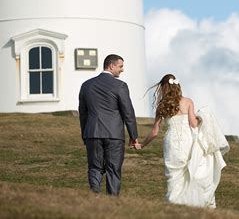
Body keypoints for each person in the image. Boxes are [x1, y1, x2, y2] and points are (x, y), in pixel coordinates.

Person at [139, 74, 229, 208]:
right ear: (177, 86)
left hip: (171, 143)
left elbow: (155, 131)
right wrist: (201, 118)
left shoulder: (162, 106)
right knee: (189, 173)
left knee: (174, 176)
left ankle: (174, 203)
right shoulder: (188, 102)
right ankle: (191, 202)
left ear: (164, 88)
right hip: (188, 141)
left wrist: (142, 144)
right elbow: (193, 124)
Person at [78, 54, 141, 196]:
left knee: (94, 167)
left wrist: (85, 134)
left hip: (92, 133)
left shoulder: (86, 85)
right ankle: (112, 202)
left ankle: (94, 196)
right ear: (111, 66)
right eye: (120, 66)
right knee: (113, 169)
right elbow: (128, 112)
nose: (122, 70)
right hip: (114, 135)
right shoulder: (120, 86)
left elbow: (83, 113)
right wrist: (134, 136)